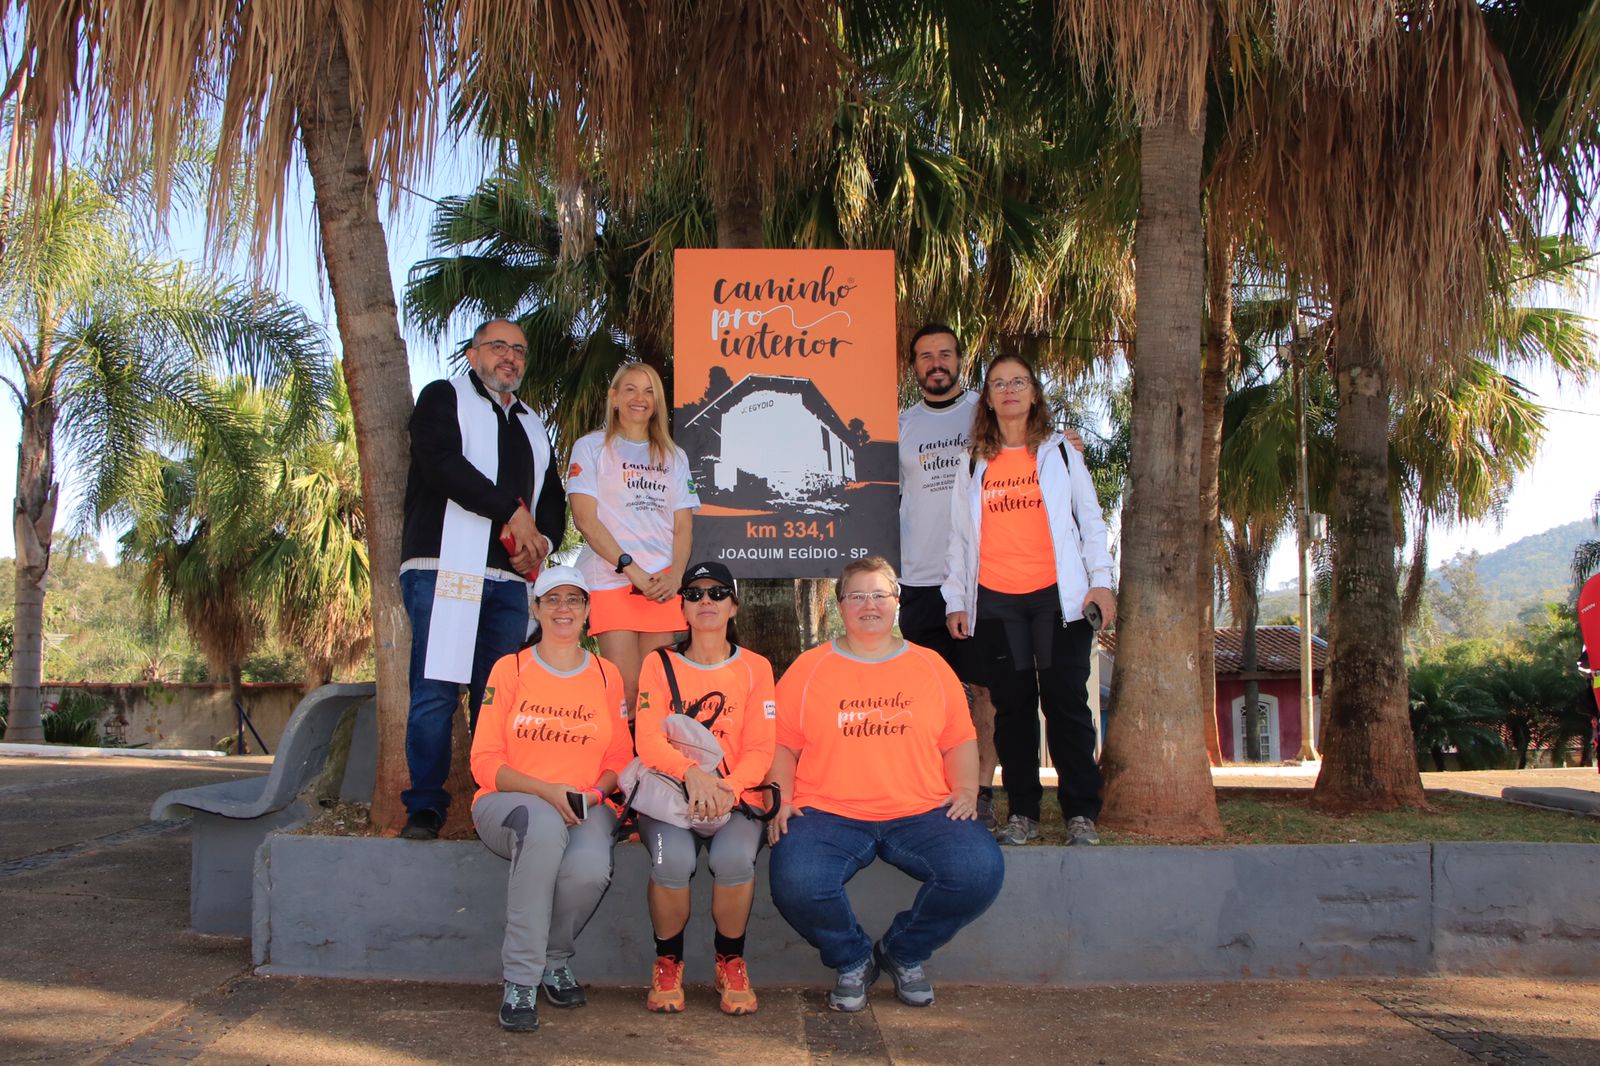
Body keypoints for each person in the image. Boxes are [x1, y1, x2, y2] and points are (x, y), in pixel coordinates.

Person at [767, 557, 1004, 1012]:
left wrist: (967, 791)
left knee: (979, 870)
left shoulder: (931, 666)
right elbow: (782, 746)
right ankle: (853, 958)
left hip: (922, 811)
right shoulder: (809, 667)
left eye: (879, 595)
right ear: (840, 605)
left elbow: (959, 739)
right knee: (795, 879)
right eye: (856, 595)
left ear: (897, 603)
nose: (868, 605)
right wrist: (782, 798)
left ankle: (902, 952)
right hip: (829, 812)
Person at [400, 318, 566, 841]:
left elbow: (554, 500)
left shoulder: (535, 426)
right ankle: (425, 806)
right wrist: (511, 513)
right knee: (435, 692)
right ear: (473, 356)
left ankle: (493, 802)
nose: (510, 357)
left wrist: (542, 545)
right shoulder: (442, 397)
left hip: (509, 582)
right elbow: (440, 464)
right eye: (498, 346)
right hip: (446, 568)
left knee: (496, 696)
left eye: (519, 349)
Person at [942, 354, 1116, 848]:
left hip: (1057, 602)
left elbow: (1091, 519)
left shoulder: (1061, 452)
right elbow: (959, 538)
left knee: (1066, 704)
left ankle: (1081, 812)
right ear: (988, 398)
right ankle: (1023, 812)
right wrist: (957, 598)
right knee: (1013, 709)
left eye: (1018, 381)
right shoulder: (973, 459)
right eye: (998, 383)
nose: (1009, 390)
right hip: (997, 604)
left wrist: (1100, 581)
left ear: (1033, 393)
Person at [470, 565, 633, 1032]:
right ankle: (520, 979)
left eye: (574, 600)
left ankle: (554, 959)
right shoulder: (511, 668)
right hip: (510, 803)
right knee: (542, 827)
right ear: (535, 608)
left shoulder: (606, 675)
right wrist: (547, 792)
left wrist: (596, 792)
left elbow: (620, 754)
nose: (563, 608)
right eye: (553, 599)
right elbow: (483, 762)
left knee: (587, 869)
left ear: (587, 611)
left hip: (587, 806)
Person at [633, 560, 776, 1016]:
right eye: (694, 594)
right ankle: (668, 960)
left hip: (733, 799)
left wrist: (726, 788)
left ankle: (730, 959)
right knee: (672, 861)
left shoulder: (756, 668)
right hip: (670, 796)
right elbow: (648, 738)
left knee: (733, 859)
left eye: (717, 594)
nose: (706, 602)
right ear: (683, 608)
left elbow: (760, 747)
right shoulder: (658, 663)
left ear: (733, 605)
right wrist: (692, 774)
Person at [897, 323, 998, 829]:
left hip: (978, 580)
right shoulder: (902, 426)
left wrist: (1064, 441)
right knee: (929, 693)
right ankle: (933, 787)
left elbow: (1033, 445)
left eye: (944, 354)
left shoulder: (987, 412)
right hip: (918, 579)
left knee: (984, 691)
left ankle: (982, 791)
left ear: (960, 359)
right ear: (913, 367)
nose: (935, 364)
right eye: (924, 357)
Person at [568, 362, 700, 715]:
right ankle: (621, 769)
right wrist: (630, 569)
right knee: (624, 690)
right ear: (613, 397)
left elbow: (683, 526)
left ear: (656, 403)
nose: (639, 399)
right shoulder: (591, 447)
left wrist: (674, 577)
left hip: (661, 585)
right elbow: (584, 518)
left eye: (648, 391)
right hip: (612, 580)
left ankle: (652, 769)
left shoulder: (674, 455)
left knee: (654, 694)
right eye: (629, 389)